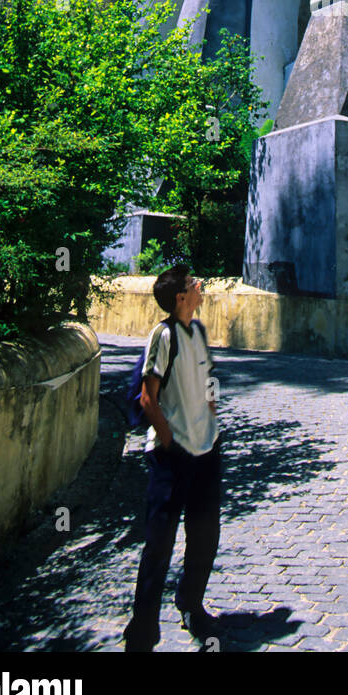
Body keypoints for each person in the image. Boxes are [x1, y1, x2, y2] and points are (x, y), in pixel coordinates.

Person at [123, 263, 222, 652]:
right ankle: (143, 630)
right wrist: (170, 440)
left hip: (207, 451)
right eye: (195, 284)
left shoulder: (198, 331)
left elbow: (207, 380)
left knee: (204, 537)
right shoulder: (163, 335)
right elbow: (148, 397)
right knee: (159, 543)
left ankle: (190, 604)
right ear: (181, 296)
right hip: (173, 456)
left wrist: (211, 423)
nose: (201, 287)